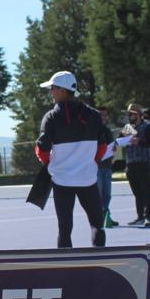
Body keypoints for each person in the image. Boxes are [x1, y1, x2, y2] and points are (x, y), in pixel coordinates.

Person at [35, 71, 110, 247]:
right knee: (97, 225)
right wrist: (92, 162)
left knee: (64, 228)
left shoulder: (51, 117)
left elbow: (41, 149)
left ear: (62, 90)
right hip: (88, 179)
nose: (50, 92)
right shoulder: (94, 115)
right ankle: (100, 259)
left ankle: (64, 262)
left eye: (52, 88)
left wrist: (50, 164)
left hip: (62, 181)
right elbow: (102, 146)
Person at [118, 104, 150, 227]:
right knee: (137, 192)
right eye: (128, 114)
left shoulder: (147, 127)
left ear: (138, 115)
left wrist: (139, 141)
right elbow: (119, 140)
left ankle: (149, 216)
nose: (129, 116)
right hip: (130, 163)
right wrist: (120, 142)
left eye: (132, 114)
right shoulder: (128, 128)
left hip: (143, 163)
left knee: (146, 191)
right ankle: (140, 216)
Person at [95, 107, 117, 226]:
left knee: (107, 195)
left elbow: (111, 147)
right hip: (97, 167)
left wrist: (113, 149)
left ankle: (106, 216)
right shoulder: (93, 131)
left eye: (105, 115)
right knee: (98, 195)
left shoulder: (108, 131)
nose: (104, 117)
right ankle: (98, 218)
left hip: (107, 167)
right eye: (101, 115)